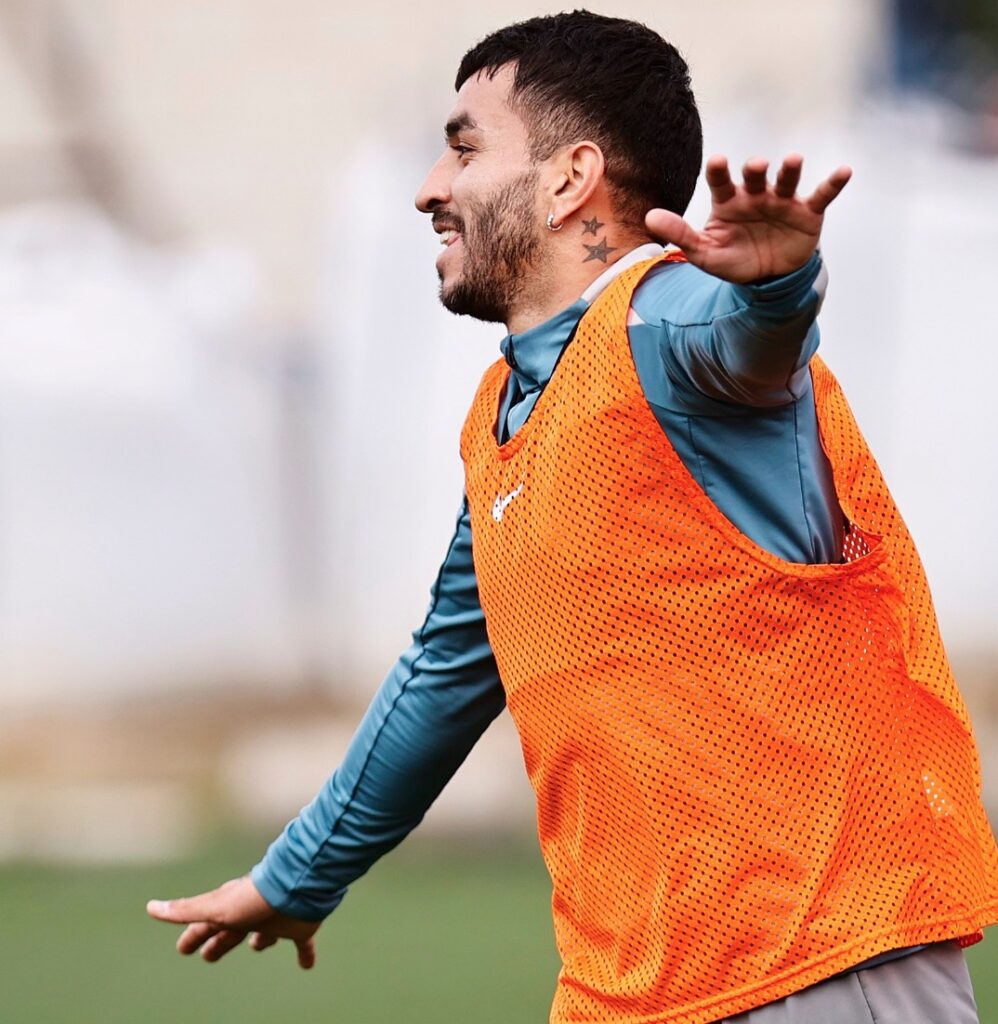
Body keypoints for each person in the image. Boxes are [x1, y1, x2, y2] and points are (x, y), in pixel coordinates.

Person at [147, 12, 998, 1023]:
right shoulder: (504, 414)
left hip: (816, 967)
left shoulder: (665, 318)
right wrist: (297, 875)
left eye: (464, 147)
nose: (429, 187)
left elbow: (745, 343)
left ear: (569, 179)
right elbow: (442, 673)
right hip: (632, 991)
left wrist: (777, 290)